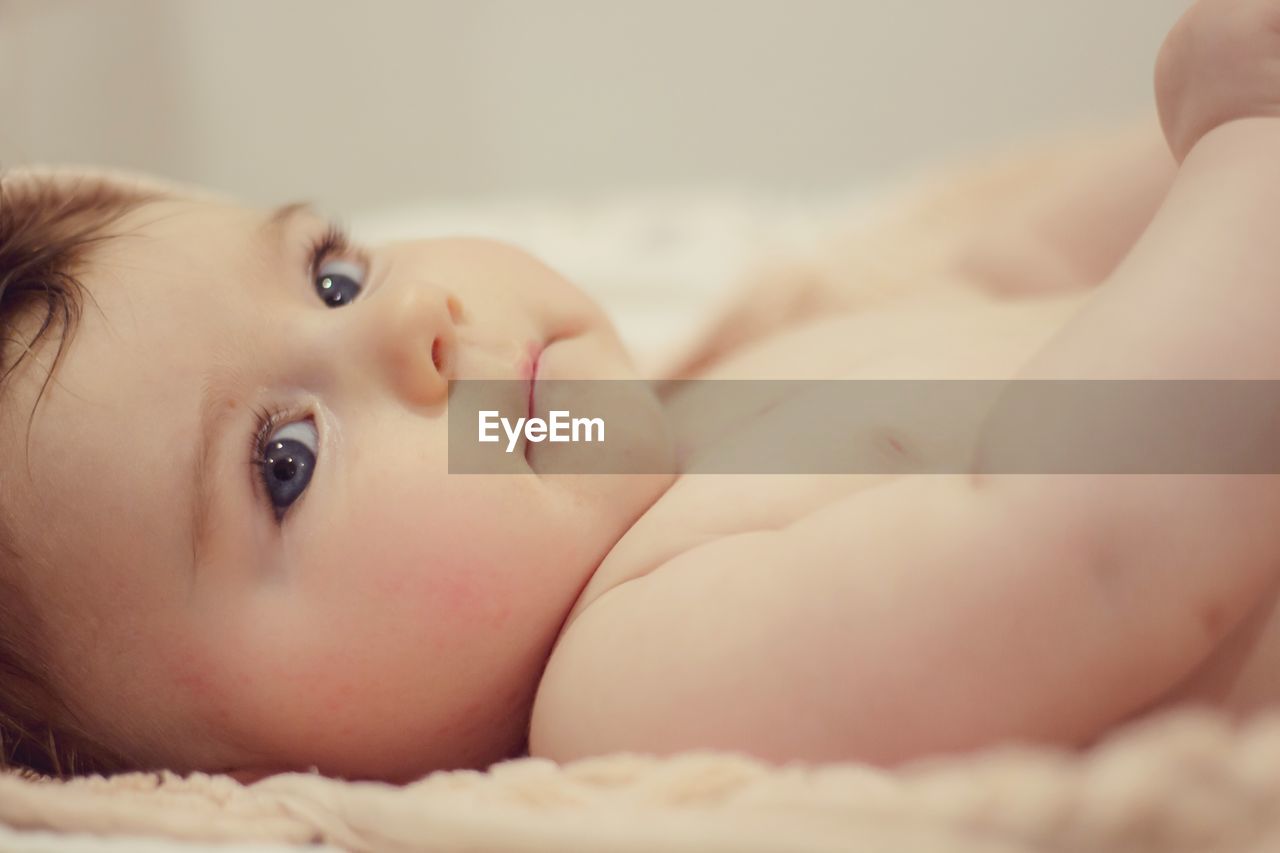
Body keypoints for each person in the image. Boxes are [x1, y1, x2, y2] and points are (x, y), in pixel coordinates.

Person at [1, 0, 1276, 784]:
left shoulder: (695, 394)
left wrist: (1181, 140)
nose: (415, 327)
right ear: (253, 772)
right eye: (284, 459)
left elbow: (1009, 266)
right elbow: (1094, 549)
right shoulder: (635, 683)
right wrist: (1244, 143)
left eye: (333, 275)